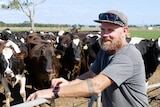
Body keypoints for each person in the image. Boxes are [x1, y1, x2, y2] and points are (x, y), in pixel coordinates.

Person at [27, 10, 150, 107]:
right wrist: (68, 84)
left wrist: (52, 93)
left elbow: (97, 85)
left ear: (124, 31)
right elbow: (91, 74)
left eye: (110, 30)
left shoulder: (128, 55)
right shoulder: (105, 51)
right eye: (102, 29)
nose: (104, 35)